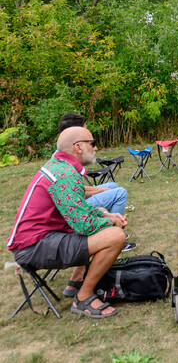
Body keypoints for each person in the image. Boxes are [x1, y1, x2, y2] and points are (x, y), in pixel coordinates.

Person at [7, 127, 127, 318]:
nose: (96, 148)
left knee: (106, 225)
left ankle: (77, 281)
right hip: (34, 247)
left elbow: (77, 207)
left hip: (41, 239)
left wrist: (106, 215)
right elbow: (84, 225)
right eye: (92, 143)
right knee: (115, 236)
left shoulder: (60, 166)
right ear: (78, 147)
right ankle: (83, 297)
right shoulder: (65, 174)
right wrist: (111, 222)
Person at [57, 114, 135, 253]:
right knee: (120, 193)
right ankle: (113, 238)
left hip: (74, 201)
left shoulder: (62, 154)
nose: (94, 147)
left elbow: (77, 188)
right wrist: (101, 191)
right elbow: (77, 195)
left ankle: (112, 231)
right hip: (72, 209)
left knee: (112, 185)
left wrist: (101, 190)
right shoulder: (65, 162)